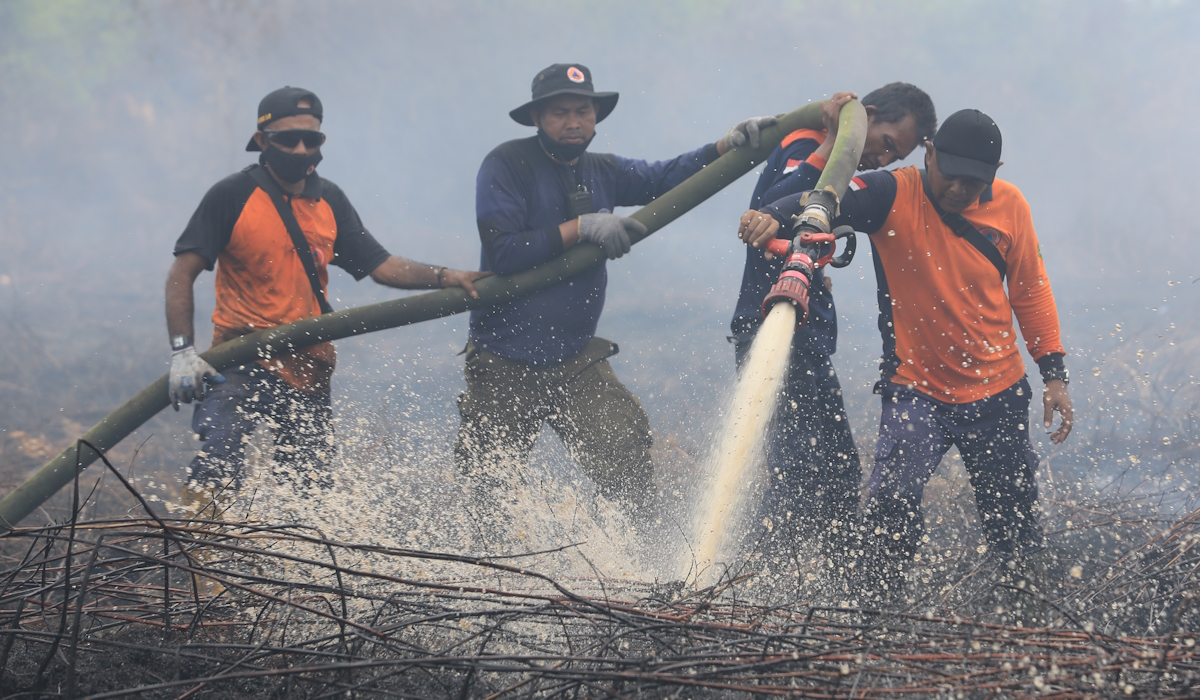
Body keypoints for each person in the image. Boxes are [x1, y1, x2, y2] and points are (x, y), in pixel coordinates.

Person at [739, 109, 1073, 622]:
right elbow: (829, 201)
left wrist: (1053, 374)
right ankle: (876, 618)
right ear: (930, 154)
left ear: (995, 171)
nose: (959, 190)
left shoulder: (1011, 207)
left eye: (973, 182)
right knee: (888, 509)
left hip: (998, 391)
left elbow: (1030, 289)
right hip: (916, 391)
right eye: (950, 175)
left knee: (1013, 519)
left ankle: (1027, 620)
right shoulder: (892, 192)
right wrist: (776, 214)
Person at [456, 62, 778, 519]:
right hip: (505, 355)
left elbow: (667, 176)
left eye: (582, 111)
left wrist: (728, 145)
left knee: (625, 460)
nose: (573, 123)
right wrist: (582, 227)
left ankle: (640, 570)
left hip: (574, 353)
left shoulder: (602, 170)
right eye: (560, 113)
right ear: (536, 119)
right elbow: (505, 252)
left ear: (596, 116)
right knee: (487, 486)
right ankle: (480, 572)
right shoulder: (507, 164)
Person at [166, 86, 488, 504]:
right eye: (287, 139)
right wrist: (181, 351)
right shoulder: (232, 196)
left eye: (311, 139)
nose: (301, 149)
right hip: (240, 359)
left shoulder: (328, 199)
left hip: (308, 364)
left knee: (309, 491)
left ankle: (297, 563)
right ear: (263, 142)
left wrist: (445, 276)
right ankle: (199, 560)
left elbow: (381, 265)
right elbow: (181, 272)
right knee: (218, 465)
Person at [730, 84, 936, 569]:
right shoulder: (805, 143)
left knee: (840, 475)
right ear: (864, 117)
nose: (880, 159)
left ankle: (836, 587)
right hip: (769, 331)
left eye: (895, 156)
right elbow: (775, 208)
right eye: (884, 142)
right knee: (795, 472)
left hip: (807, 339)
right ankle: (747, 585)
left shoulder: (842, 170)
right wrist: (830, 148)